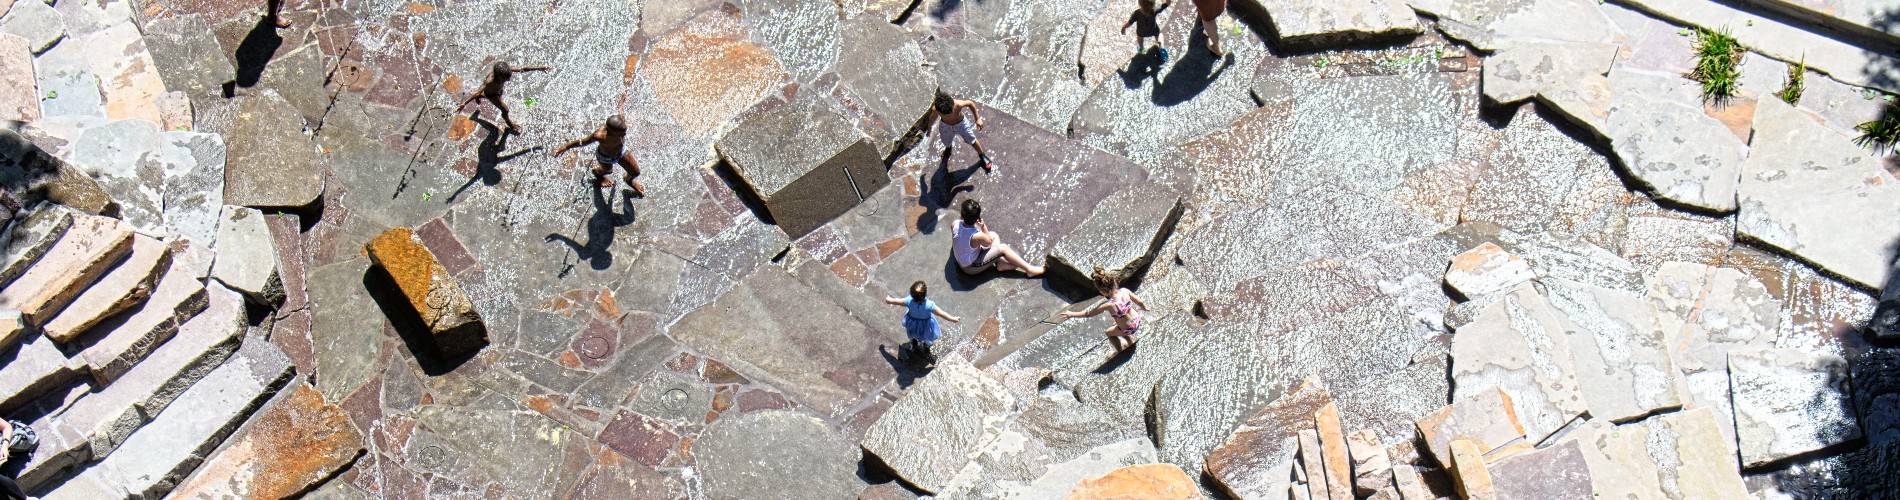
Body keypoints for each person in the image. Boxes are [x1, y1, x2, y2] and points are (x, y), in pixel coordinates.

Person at [551, 115, 646, 196]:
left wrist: (622, 100)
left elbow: (621, 110)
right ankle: (597, 173)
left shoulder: (621, 123)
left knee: (635, 172)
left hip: (621, 153)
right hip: (605, 158)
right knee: (608, 171)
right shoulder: (600, 135)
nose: (624, 134)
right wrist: (566, 146)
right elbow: (583, 141)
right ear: (611, 132)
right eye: (621, 133)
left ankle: (628, 180)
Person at [1062, 268, 1148, 353]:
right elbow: (1139, 302)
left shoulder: (1108, 305)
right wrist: (1145, 309)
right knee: (1117, 325)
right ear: (1114, 282)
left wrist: (1071, 314)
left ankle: (1119, 351)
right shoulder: (1124, 291)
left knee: (1109, 333)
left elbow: (1088, 314)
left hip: (1129, 329)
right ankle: (1129, 341)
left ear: (1102, 291)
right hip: (1137, 319)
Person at [950, 199, 1044, 277]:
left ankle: (1000, 263)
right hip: (970, 267)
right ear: (977, 218)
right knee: (1003, 248)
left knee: (994, 234)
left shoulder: (955, 223)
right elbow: (989, 242)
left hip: (963, 258)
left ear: (962, 215)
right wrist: (983, 226)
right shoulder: (977, 236)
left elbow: (958, 239)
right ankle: (1029, 270)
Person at [456, 61, 553, 133]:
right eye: (506, 79)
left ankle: (481, 98)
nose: (509, 80)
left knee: (485, 95)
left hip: (497, 91)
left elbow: (523, 69)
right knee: (505, 110)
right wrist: (464, 103)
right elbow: (477, 92)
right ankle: (510, 124)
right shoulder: (489, 81)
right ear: (499, 76)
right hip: (492, 95)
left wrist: (539, 68)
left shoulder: (505, 71)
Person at [885, 281, 959, 363]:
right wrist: (953, 319)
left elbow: (896, 301)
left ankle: (914, 342)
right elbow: (942, 314)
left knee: (912, 333)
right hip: (926, 325)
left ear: (912, 294)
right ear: (925, 294)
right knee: (927, 336)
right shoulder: (929, 305)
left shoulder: (909, 301)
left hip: (912, 323)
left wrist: (889, 300)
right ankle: (926, 347)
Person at [928, 92, 997, 172]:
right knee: (946, 140)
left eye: (950, 113)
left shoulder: (958, 104)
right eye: (945, 115)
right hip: (945, 126)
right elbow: (932, 118)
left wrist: (977, 118)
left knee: (972, 140)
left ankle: (982, 155)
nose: (948, 116)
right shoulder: (935, 109)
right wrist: (929, 128)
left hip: (961, 124)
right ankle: (948, 148)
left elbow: (971, 104)